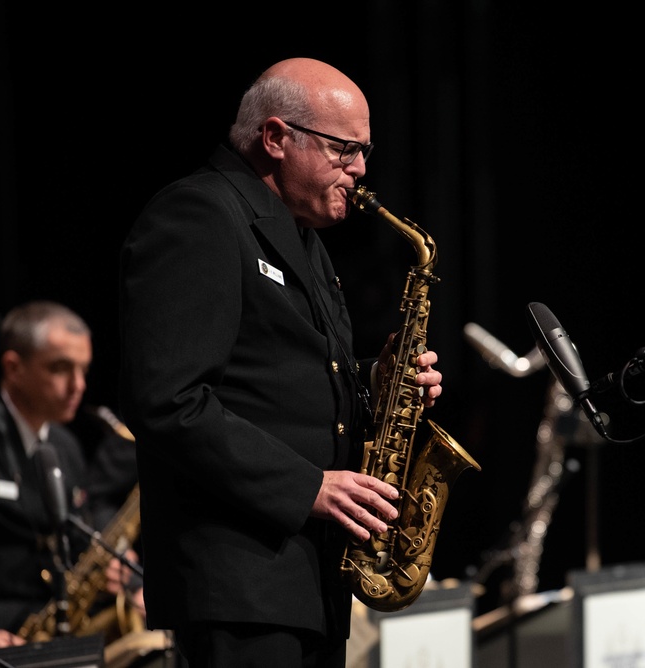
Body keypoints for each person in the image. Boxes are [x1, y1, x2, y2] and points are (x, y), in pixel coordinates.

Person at [117, 57, 445, 667]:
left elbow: (283, 378)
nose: (361, 170)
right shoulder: (198, 216)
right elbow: (167, 401)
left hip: (304, 580)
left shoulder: (302, 236)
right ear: (275, 137)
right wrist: (308, 488)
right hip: (239, 585)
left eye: (364, 151)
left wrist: (381, 379)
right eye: (344, 150)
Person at [0, 300, 142, 651]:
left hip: (49, 634)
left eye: (83, 370)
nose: (78, 385)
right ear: (14, 367)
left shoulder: (66, 445)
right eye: (61, 369)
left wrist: (112, 568)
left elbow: (75, 543)